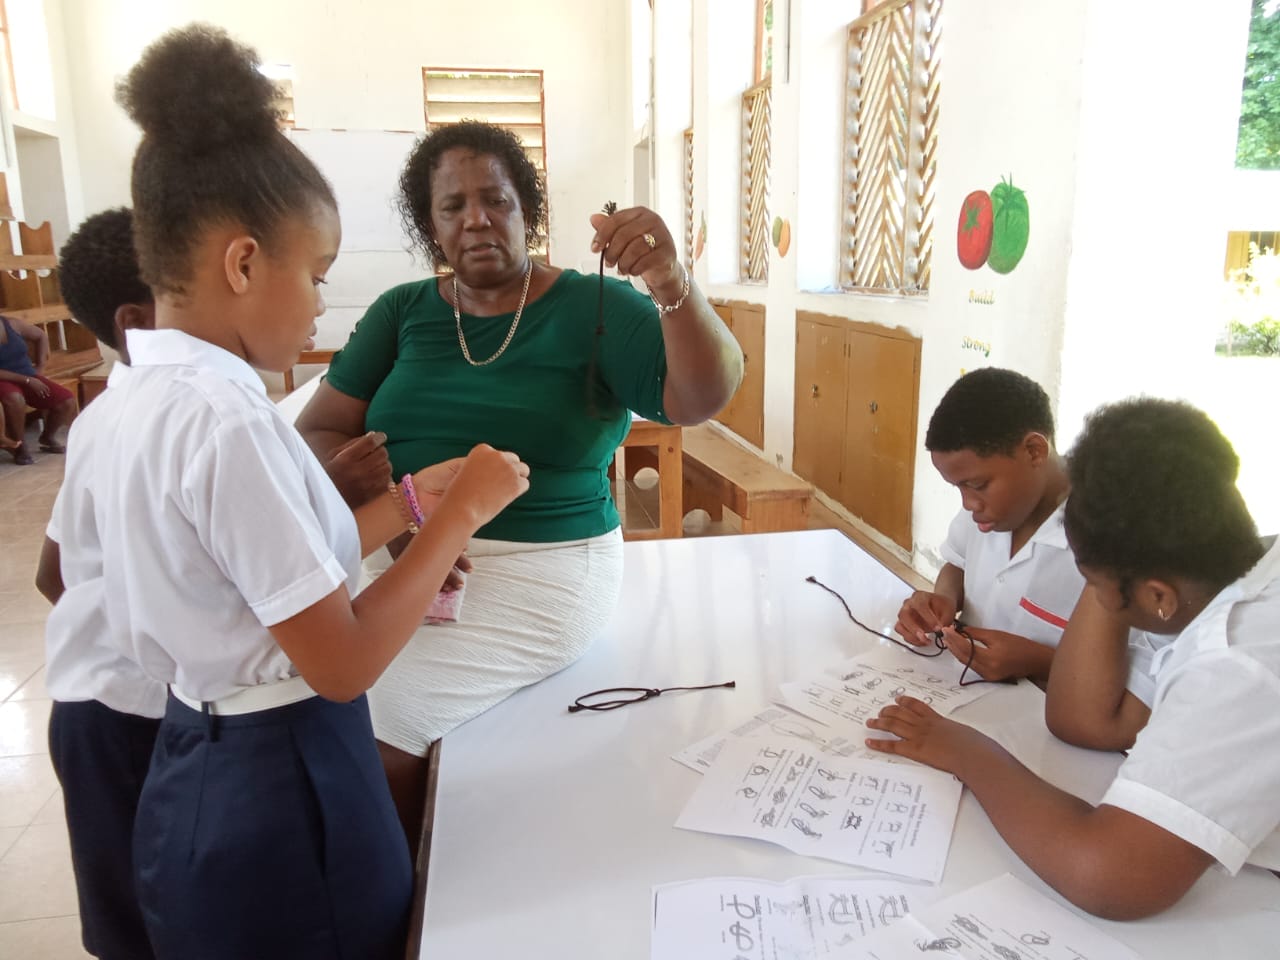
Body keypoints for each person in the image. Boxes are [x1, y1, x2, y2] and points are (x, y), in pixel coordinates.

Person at [47, 25, 529, 960]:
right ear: (240, 264)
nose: (318, 305)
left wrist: (411, 507)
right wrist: (463, 513)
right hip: (284, 788)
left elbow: (263, 574)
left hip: (197, 758)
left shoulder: (143, 393)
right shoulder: (228, 425)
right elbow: (340, 662)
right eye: (312, 275)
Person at [294, 120, 744, 847]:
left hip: (540, 569)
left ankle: (404, 903)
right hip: (403, 547)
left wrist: (669, 283)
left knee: (383, 724)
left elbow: (702, 396)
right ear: (429, 225)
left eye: (495, 199)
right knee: (306, 690)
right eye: (452, 206)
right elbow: (317, 432)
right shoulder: (403, 312)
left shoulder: (593, 308)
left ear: (526, 211)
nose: (476, 218)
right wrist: (374, 495)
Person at [867, 397, 1280, 920]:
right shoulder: (1222, 575)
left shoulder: (1237, 661)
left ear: (1157, 596)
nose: (1097, 602)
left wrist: (971, 753)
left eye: (1097, 587)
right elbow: (1079, 720)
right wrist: (1112, 553)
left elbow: (1112, 877)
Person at [34, 207, 163, 960]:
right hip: (119, 717)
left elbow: (52, 573)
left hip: (96, 704)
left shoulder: (104, 416)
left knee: (134, 914)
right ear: (141, 319)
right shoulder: (160, 421)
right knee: (135, 929)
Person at [894, 368, 1078, 685]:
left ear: (1034, 451)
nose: (968, 503)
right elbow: (958, 564)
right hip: (967, 692)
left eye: (977, 484)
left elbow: (1140, 675)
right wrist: (945, 601)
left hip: (1044, 717)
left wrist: (1039, 662)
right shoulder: (992, 508)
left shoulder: (1107, 541)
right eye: (958, 488)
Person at [0, 311, 78, 464]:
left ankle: (47, 437)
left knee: (66, 401)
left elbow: (40, 335)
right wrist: (28, 380)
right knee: (14, 399)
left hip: (27, 375)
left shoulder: (12, 323)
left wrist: (41, 365)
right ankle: (20, 446)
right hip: (4, 379)